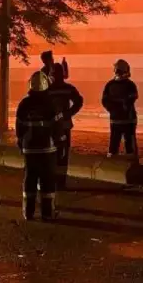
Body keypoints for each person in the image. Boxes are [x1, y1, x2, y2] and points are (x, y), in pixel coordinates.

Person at [16, 71, 64, 221]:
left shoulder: (24, 104)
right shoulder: (51, 104)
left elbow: (19, 127)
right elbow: (58, 128)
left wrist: (21, 143)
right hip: (47, 149)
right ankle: (47, 213)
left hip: (29, 148)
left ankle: (28, 212)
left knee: (30, 178)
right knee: (47, 180)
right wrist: (61, 145)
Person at [45, 61, 83, 189]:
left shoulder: (47, 89)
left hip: (51, 127)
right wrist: (68, 114)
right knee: (63, 155)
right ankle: (60, 182)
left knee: (51, 153)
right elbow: (79, 101)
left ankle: (52, 180)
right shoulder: (68, 88)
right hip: (63, 126)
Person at [101, 59, 138, 157]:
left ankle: (112, 162)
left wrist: (112, 109)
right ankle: (130, 160)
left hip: (119, 119)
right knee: (128, 143)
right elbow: (131, 99)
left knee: (115, 143)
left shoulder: (110, 85)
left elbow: (105, 101)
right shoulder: (130, 85)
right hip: (127, 120)